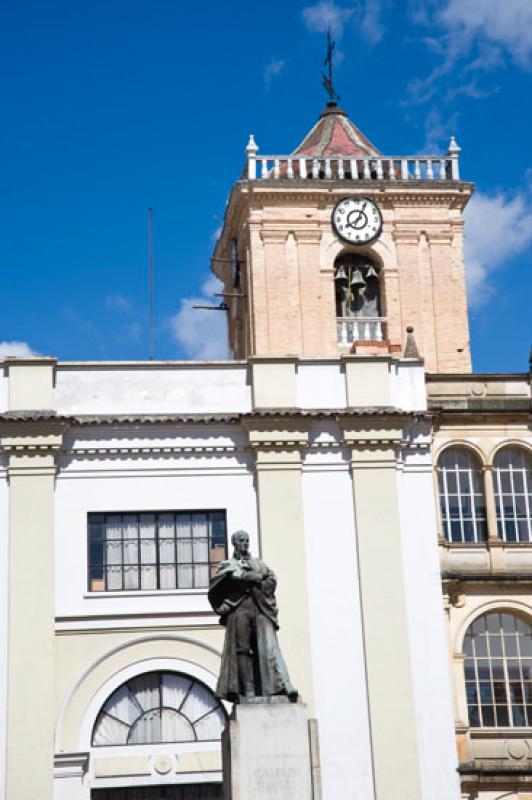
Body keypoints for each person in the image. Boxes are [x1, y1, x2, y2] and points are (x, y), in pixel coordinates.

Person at [208, 530, 298, 703]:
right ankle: (248, 690)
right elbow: (224, 579)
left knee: (268, 647)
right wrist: (250, 577)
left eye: (247, 540)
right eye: (241, 540)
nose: (245, 543)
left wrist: (254, 579)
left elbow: (271, 579)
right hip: (239, 609)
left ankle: (278, 685)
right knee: (242, 650)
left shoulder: (258, 563)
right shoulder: (227, 564)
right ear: (234, 543)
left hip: (259, 609)